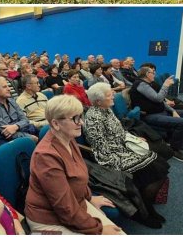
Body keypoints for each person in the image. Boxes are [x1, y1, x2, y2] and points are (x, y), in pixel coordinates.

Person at [25, 95, 123, 234]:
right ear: (56, 124)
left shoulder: (68, 138)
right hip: (49, 218)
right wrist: (99, 229)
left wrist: (88, 197)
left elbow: (77, 177)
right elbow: (64, 207)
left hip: (73, 206)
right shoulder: (45, 156)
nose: (81, 123)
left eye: (80, 116)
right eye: (75, 119)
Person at [85, 82, 170, 228]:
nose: (113, 95)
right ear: (98, 101)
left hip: (122, 149)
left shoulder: (107, 109)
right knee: (153, 169)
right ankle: (143, 213)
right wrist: (126, 150)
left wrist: (132, 138)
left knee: (160, 164)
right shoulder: (93, 117)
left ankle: (147, 205)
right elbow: (102, 148)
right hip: (111, 157)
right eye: (109, 94)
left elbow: (119, 130)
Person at [130, 66, 183, 164]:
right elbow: (158, 98)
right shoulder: (141, 84)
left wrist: (173, 111)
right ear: (147, 74)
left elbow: (162, 102)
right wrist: (165, 85)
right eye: (153, 73)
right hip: (149, 115)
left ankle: (172, 139)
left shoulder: (149, 84)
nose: (154, 75)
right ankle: (175, 150)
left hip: (160, 111)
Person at [0, 77, 38, 142]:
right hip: (10, 140)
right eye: (4, 87)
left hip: (25, 130)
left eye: (8, 86)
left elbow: (25, 120)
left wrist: (16, 126)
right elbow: (7, 133)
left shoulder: (12, 101)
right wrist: (29, 137)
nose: (9, 89)